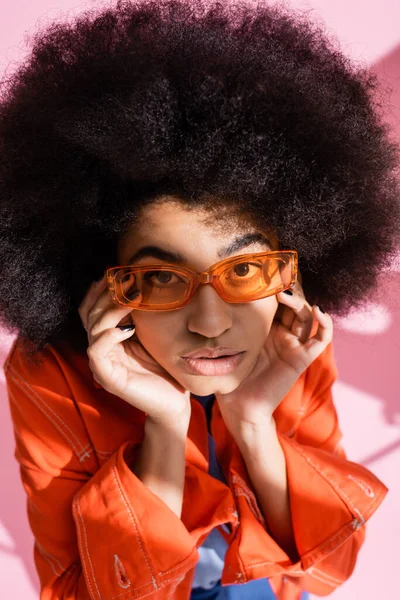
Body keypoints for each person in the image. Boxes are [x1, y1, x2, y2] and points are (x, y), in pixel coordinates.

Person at [0, 1, 398, 599]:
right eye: (161, 278)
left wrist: (255, 422)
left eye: (243, 270)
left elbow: (324, 570)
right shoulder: (50, 376)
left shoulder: (290, 339)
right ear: (105, 283)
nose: (211, 324)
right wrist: (163, 422)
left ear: (287, 271)